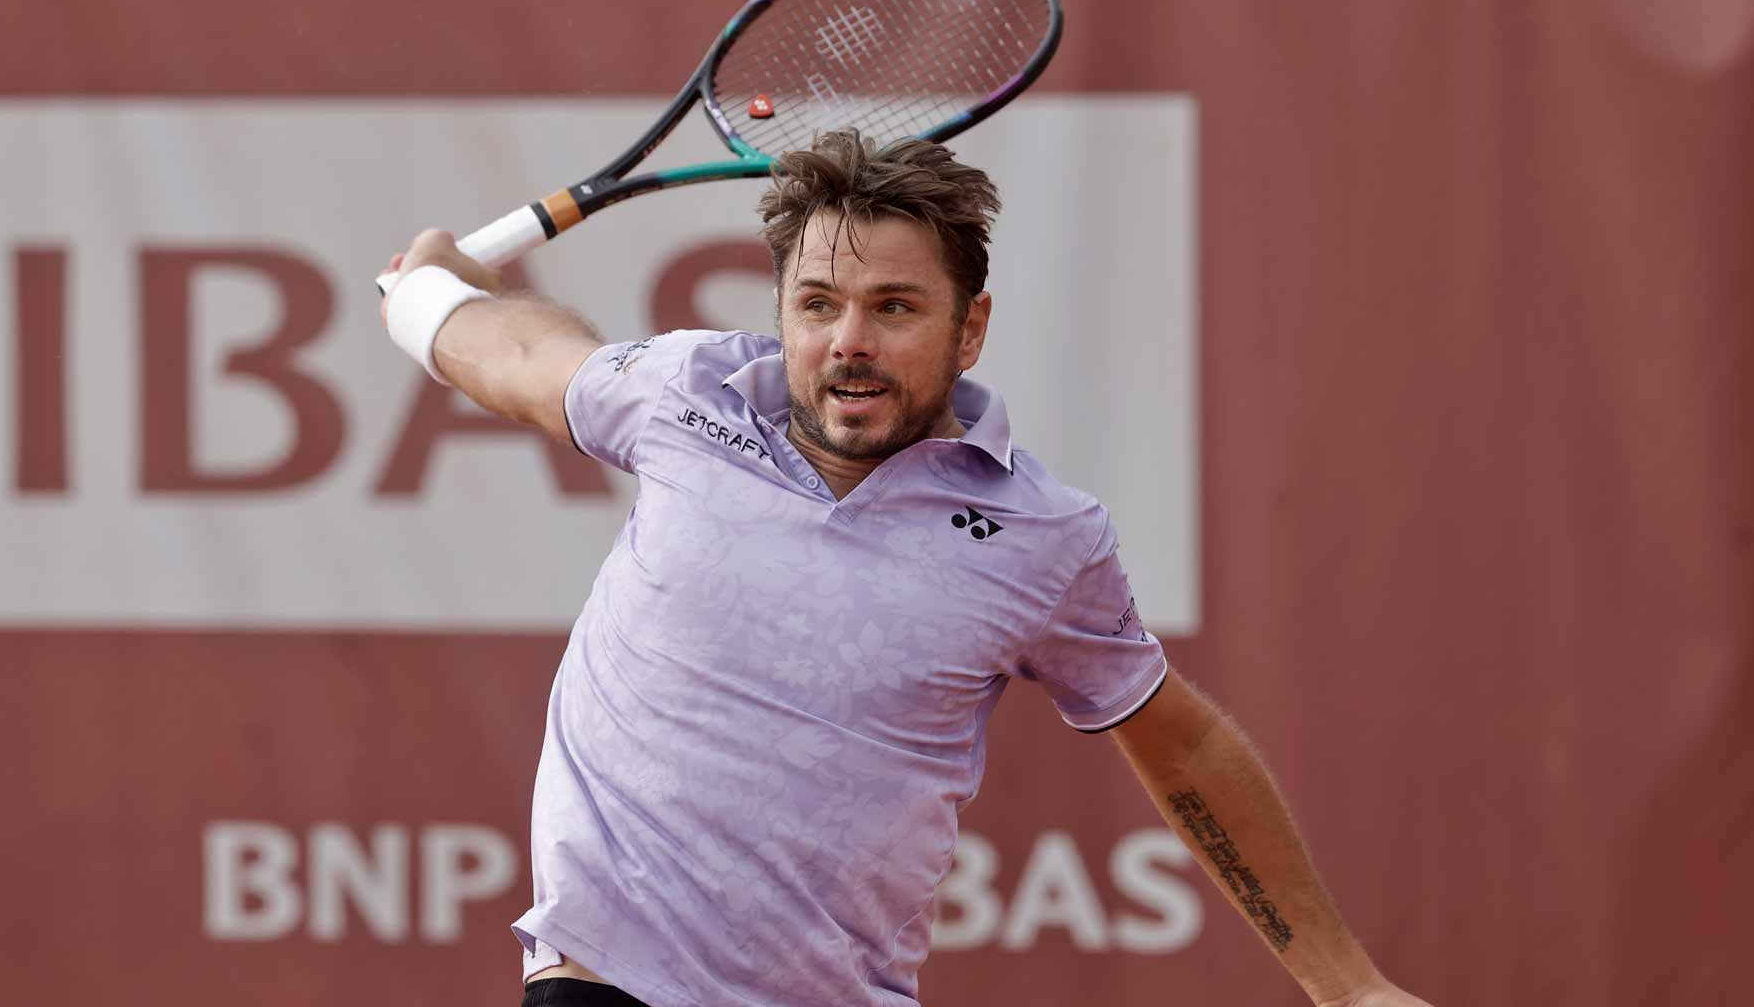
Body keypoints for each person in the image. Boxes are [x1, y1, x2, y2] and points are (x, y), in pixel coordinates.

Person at [378, 130, 1433, 1007]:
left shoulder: (1042, 537)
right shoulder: (684, 400)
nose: (850, 340)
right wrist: (430, 298)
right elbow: (522, 356)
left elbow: (1184, 744)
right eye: (818, 304)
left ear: (969, 329)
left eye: (894, 307)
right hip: (606, 982)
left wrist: (1351, 988)